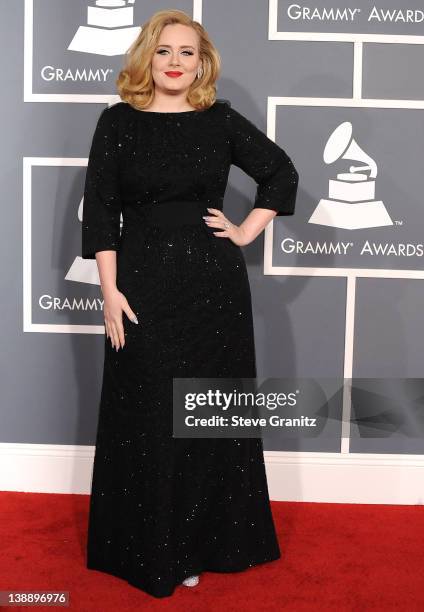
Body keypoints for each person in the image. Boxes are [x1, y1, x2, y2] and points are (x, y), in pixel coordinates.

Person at [82, 8, 299, 599]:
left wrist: (247, 229)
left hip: (213, 287)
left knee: (204, 413)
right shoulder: (117, 123)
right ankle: (150, 550)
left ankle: (206, 545)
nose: (176, 62)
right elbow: (101, 212)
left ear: (202, 63)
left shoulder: (220, 121)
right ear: (146, 58)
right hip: (142, 281)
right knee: (149, 411)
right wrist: (109, 291)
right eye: (165, 51)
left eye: (188, 52)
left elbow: (279, 173)